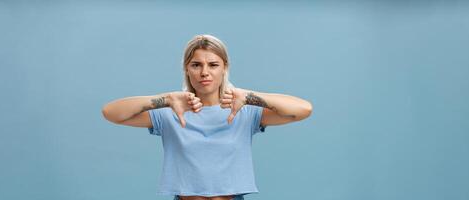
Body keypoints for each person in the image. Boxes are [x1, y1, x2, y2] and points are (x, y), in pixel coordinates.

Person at [102, 34, 313, 200]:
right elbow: (111, 113)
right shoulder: (171, 111)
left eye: (213, 65)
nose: (205, 72)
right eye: (196, 65)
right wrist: (165, 99)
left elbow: (303, 109)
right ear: (187, 69)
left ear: (224, 68)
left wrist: (250, 97)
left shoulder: (244, 110)